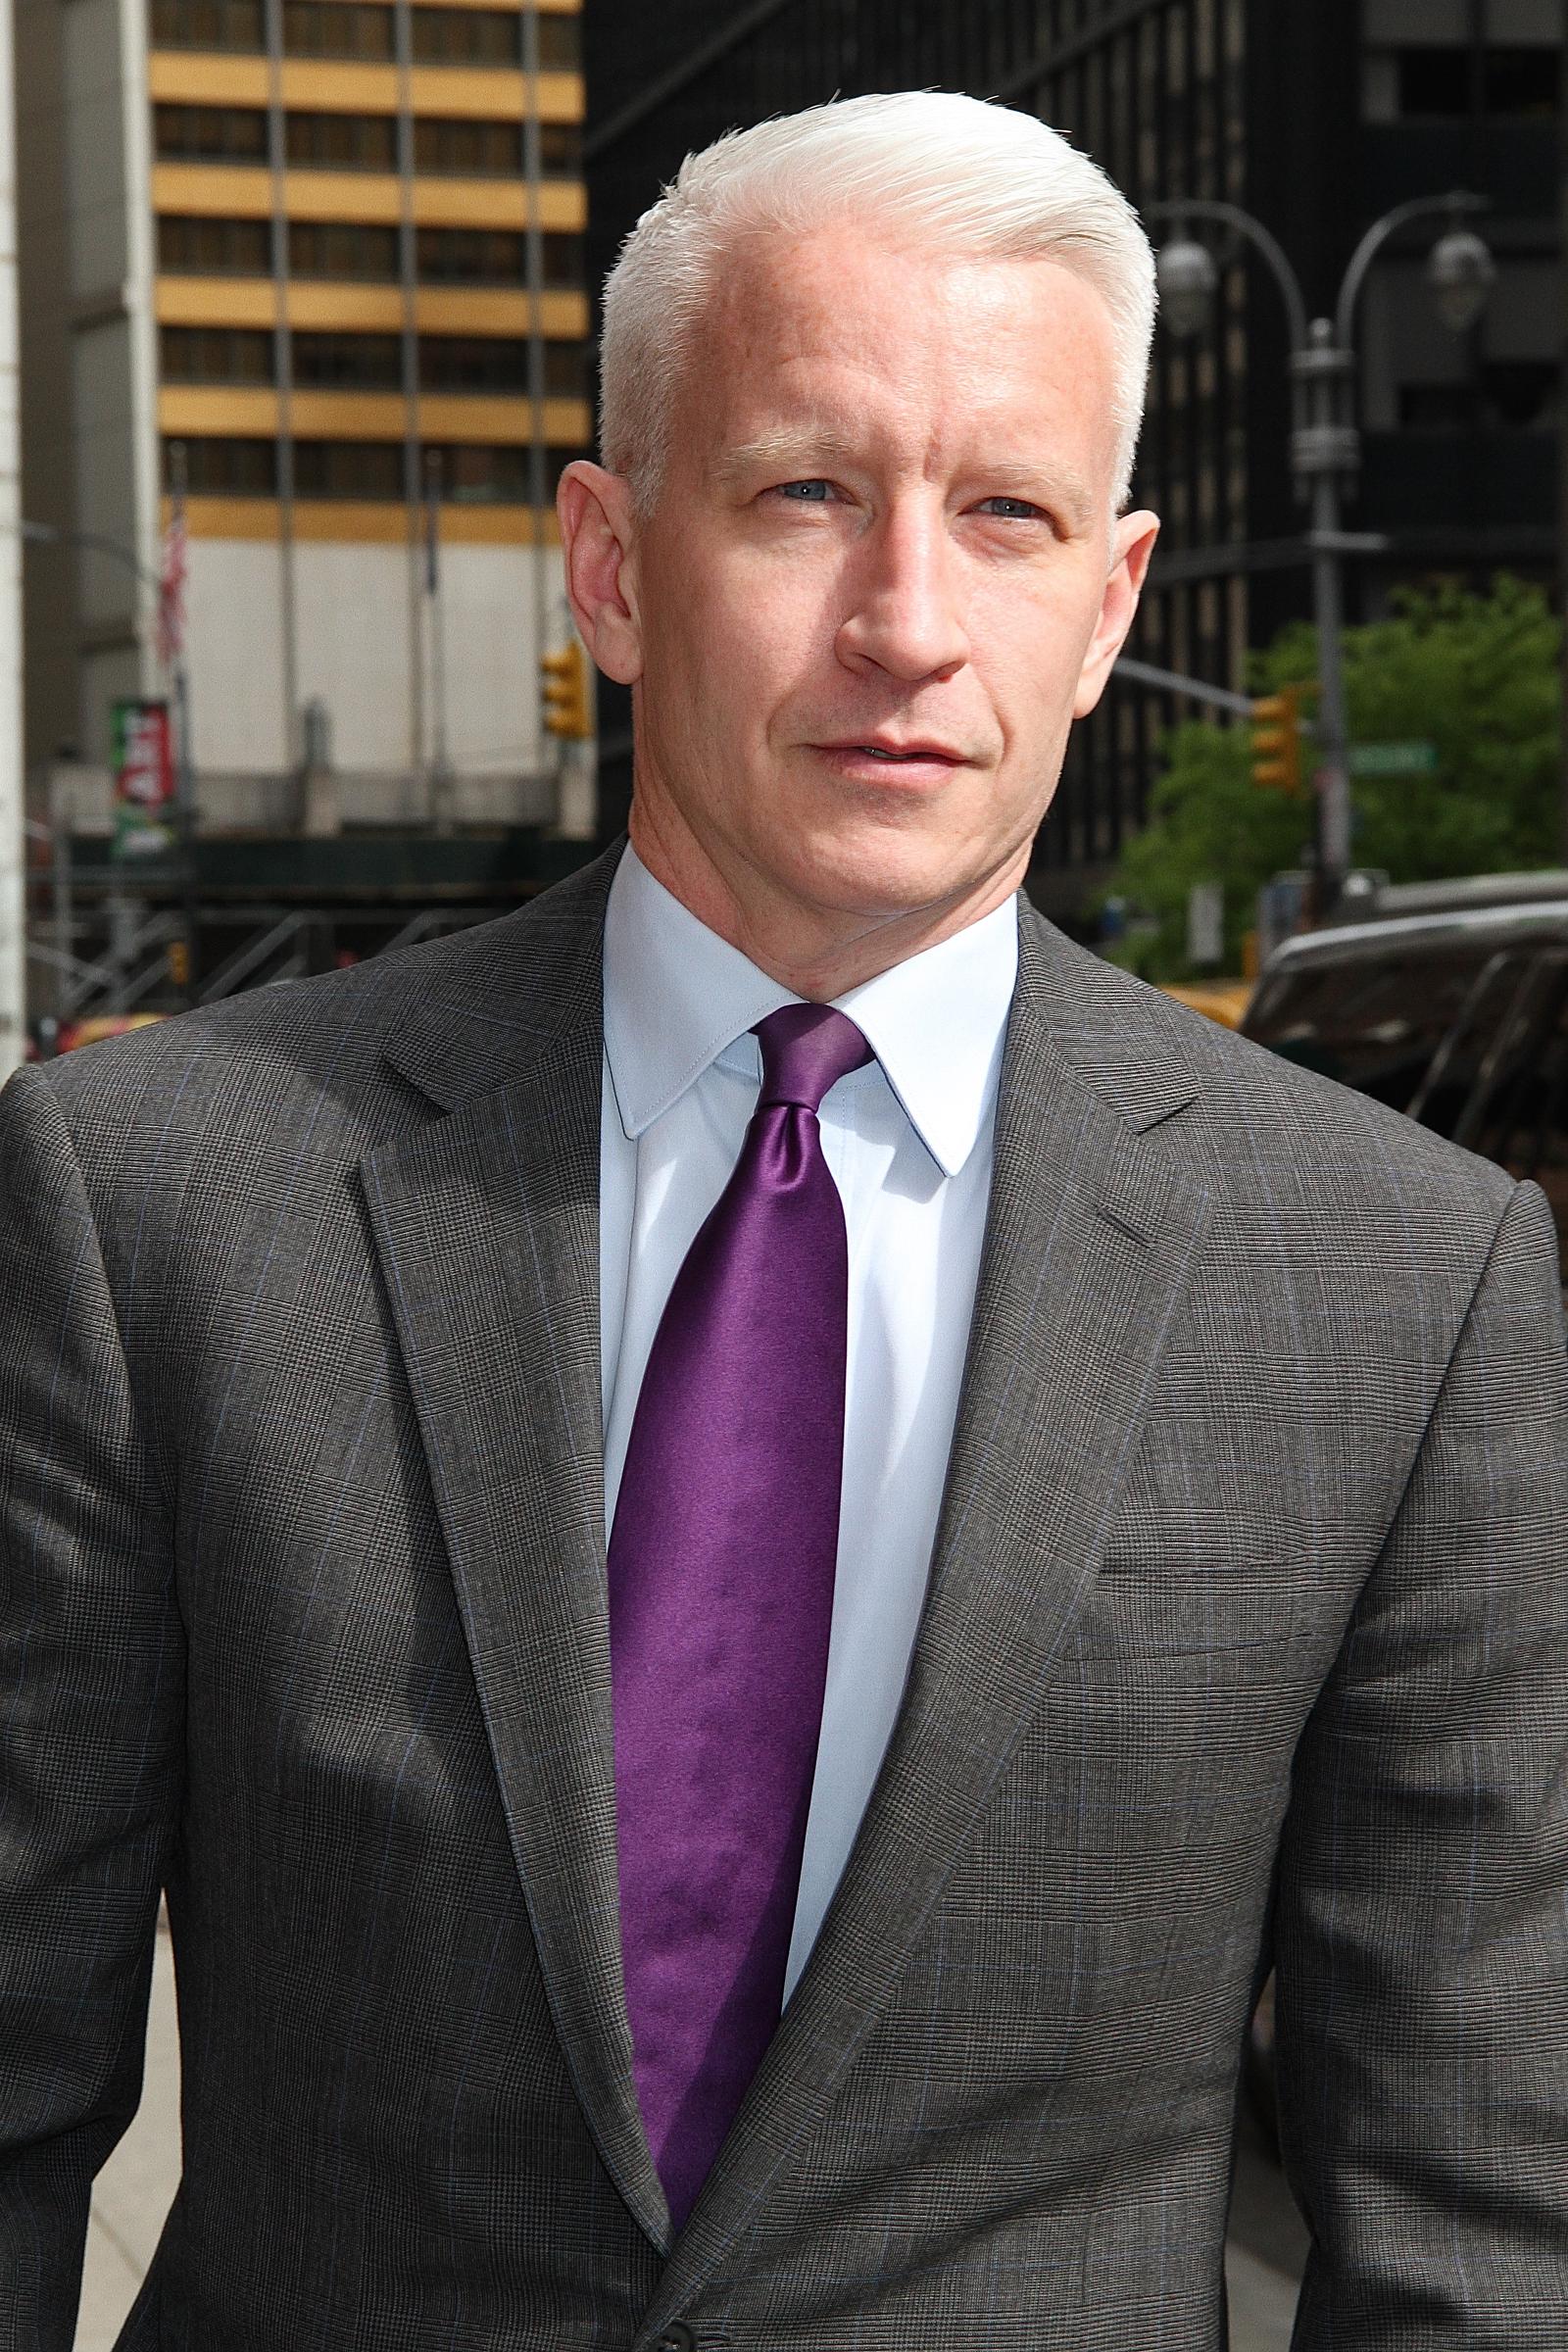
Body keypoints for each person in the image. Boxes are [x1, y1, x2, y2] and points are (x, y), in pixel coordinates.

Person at [1, 90, 1564, 2352]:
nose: (905, 622)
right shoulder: (155, 1202)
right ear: (613, 566)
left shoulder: (1402, 1292)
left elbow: (1473, 2221)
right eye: (807, 494)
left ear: (1110, 603)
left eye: (1005, 514)